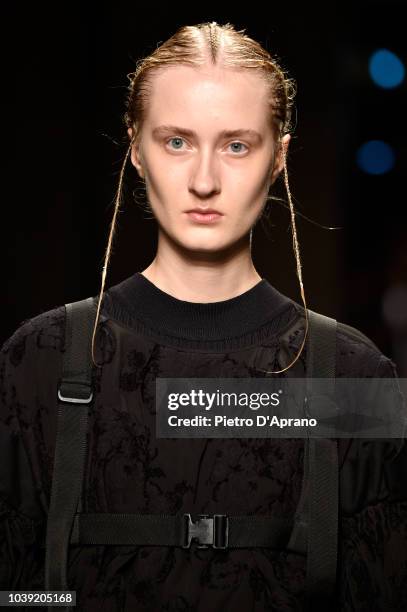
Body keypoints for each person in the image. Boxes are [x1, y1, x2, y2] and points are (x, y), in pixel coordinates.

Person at [1, 20, 407, 612]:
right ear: (135, 148)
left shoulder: (356, 379)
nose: (205, 181)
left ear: (279, 159)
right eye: (176, 141)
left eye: (237, 145)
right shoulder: (36, 362)